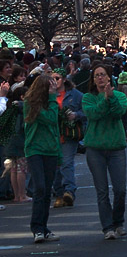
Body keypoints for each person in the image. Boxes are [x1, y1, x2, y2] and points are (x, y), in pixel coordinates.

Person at [82, 63, 127, 239]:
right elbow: (93, 114)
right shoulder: (88, 97)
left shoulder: (119, 95)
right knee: (102, 191)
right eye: (96, 75)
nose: (100, 78)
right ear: (93, 80)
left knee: (120, 189)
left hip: (116, 148)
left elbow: (119, 113)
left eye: (102, 74)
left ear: (109, 77)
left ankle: (119, 221)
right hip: (95, 149)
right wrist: (104, 99)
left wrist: (112, 98)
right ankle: (107, 227)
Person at [23, 72, 61, 243]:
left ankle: (44, 228)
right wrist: (53, 98)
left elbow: (55, 128)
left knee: (46, 191)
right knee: (40, 188)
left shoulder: (52, 104)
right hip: (35, 150)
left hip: (51, 150)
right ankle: (37, 227)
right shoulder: (30, 104)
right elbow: (50, 119)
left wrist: (58, 153)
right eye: (50, 87)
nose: (53, 89)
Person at [52, 69, 85, 208]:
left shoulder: (76, 95)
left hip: (68, 134)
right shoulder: (48, 95)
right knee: (55, 166)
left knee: (66, 162)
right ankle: (59, 194)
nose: (54, 81)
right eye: (52, 78)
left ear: (64, 79)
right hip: (52, 134)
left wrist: (76, 115)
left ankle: (69, 191)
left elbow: (86, 112)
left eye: (57, 78)